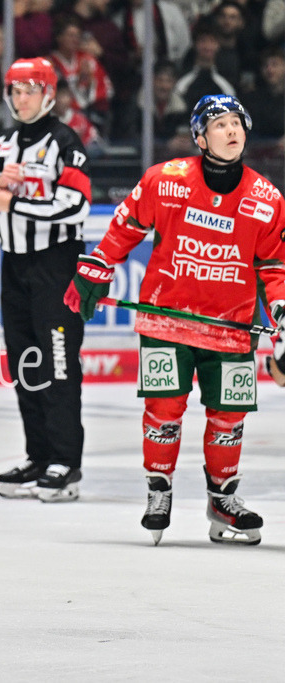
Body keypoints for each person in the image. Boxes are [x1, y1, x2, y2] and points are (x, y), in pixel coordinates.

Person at [66, 94, 285, 546]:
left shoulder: (266, 199)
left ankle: (223, 499)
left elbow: (275, 269)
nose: (232, 131)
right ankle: (159, 490)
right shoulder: (166, 181)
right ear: (200, 137)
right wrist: (98, 265)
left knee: (229, 417)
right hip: (167, 322)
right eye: (219, 124)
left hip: (232, 328)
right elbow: (126, 225)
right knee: (164, 412)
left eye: (237, 123)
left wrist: (282, 319)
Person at [0, 57, 91, 502]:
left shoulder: (64, 141)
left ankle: (65, 461)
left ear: (50, 94)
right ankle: (38, 455)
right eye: (15, 90)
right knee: (27, 363)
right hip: (14, 264)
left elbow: (76, 205)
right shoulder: (2, 144)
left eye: (30, 89)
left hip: (55, 265)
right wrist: (0, 186)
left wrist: (11, 203)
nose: (21, 98)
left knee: (58, 363)